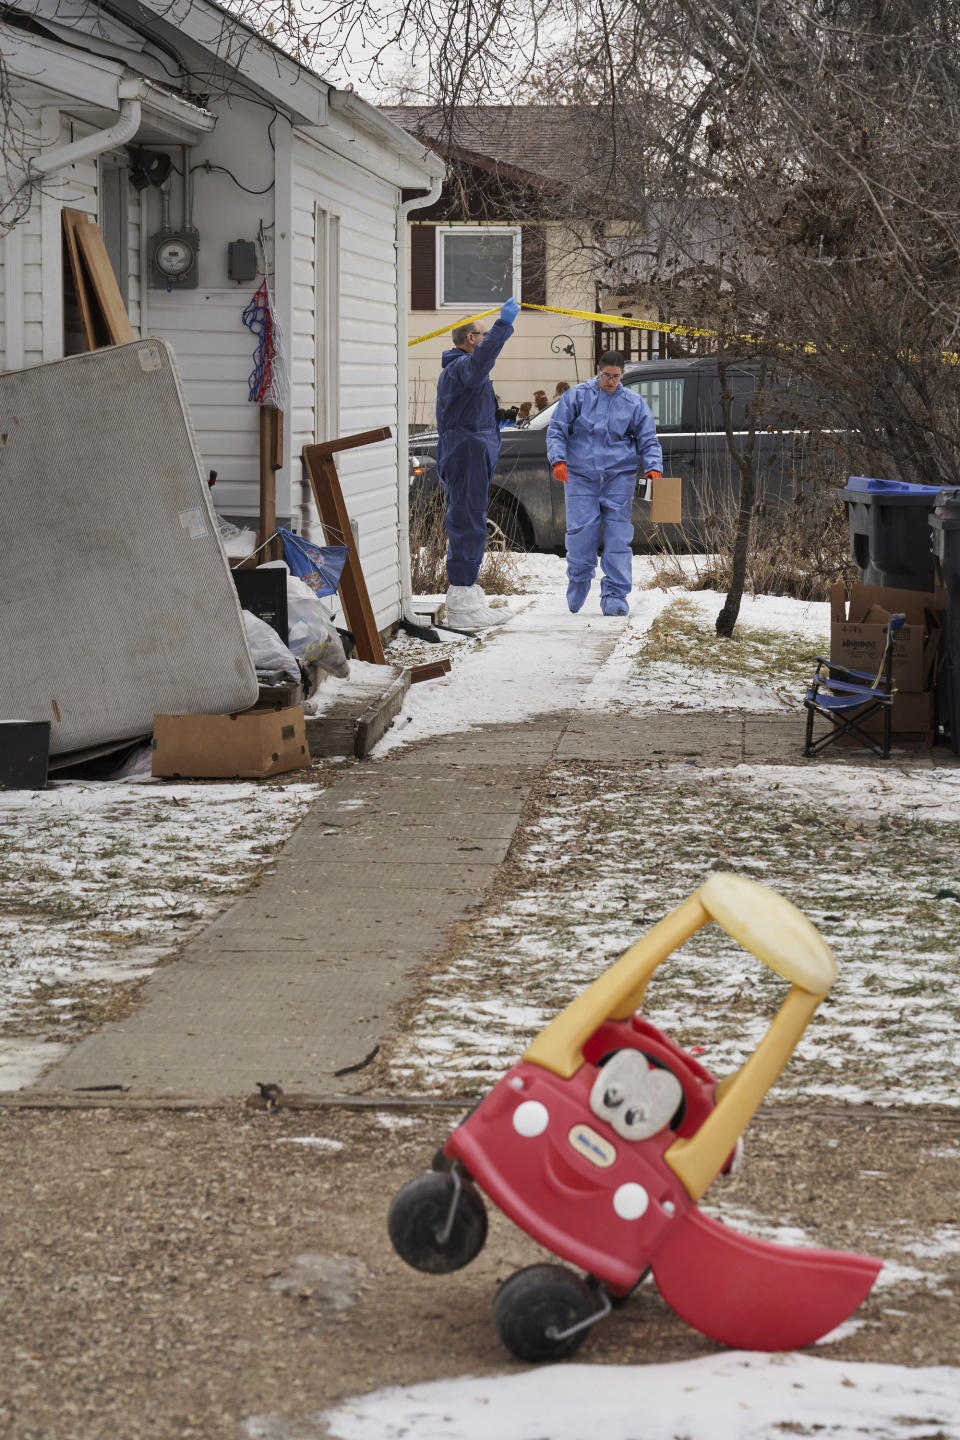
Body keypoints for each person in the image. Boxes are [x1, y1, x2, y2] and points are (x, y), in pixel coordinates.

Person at [547, 351, 663, 616]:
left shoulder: (632, 403)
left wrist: (654, 467)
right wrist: (558, 460)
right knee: (580, 533)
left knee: (618, 537)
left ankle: (615, 595)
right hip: (580, 475)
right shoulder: (576, 396)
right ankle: (578, 578)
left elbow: (648, 438)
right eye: (605, 376)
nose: (610, 381)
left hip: (617, 477)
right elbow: (557, 429)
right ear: (597, 371)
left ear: (622, 376)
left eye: (615, 377)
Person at [435, 297, 520, 629]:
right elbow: (481, 363)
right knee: (467, 520)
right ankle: (463, 602)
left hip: (472, 445)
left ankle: (468, 596)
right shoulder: (461, 367)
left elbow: (465, 408)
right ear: (470, 339)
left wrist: (495, 419)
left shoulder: (462, 371)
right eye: (482, 334)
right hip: (467, 451)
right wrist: (503, 325)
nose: (485, 340)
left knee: (469, 516)